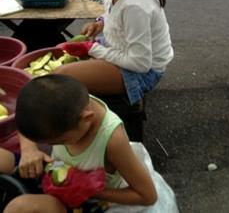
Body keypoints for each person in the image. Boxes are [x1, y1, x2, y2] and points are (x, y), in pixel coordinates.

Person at [0, 75, 158, 211]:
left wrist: (91, 190)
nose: (51, 145)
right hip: (55, 171)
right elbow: (26, 119)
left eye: (59, 141)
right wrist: (29, 150)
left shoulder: (112, 140)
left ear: (86, 119)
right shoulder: (63, 100)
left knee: (20, 207)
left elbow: (147, 196)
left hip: (87, 201)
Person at [56, 0, 174, 106]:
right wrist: (101, 22)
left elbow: (139, 63)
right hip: (124, 52)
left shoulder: (135, 5)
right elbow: (114, 14)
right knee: (62, 68)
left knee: (62, 76)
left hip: (143, 72)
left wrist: (92, 49)